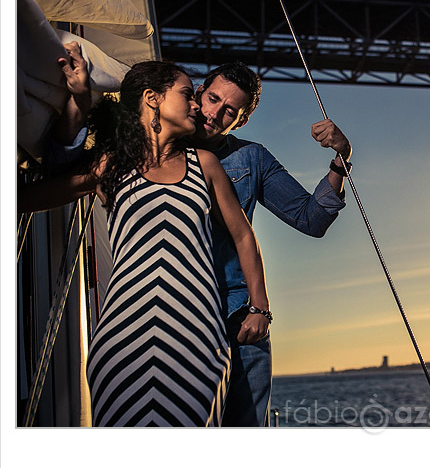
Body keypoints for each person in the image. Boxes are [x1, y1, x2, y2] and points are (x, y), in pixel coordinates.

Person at [50, 48, 352, 426]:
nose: (214, 113)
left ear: (240, 122)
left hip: (239, 320)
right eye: (211, 99)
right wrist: (77, 101)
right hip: (163, 319)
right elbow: (66, 170)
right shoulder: (138, 148)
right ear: (197, 93)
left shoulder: (251, 159)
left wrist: (340, 160)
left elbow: (311, 220)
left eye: (230, 111)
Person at [20, 58, 272, 427]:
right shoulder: (112, 164)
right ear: (153, 99)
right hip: (124, 340)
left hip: (199, 338)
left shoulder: (204, 164)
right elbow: (36, 191)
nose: (197, 105)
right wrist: (77, 100)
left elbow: (243, 235)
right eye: (189, 94)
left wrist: (260, 307)